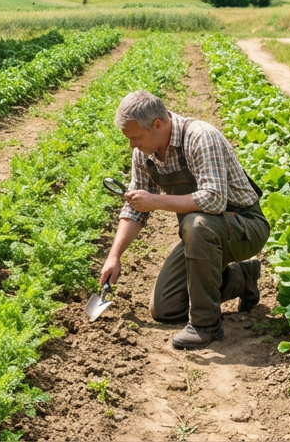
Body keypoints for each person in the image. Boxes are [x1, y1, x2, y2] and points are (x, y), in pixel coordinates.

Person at [99, 90, 269, 350]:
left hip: (245, 227)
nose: (132, 145)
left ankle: (206, 326)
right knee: (166, 308)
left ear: (158, 124)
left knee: (196, 224)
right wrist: (114, 256)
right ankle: (241, 278)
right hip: (202, 235)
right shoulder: (144, 153)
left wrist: (155, 201)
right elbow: (135, 210)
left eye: (136, 137)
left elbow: (213, 200)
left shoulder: (200, 137)